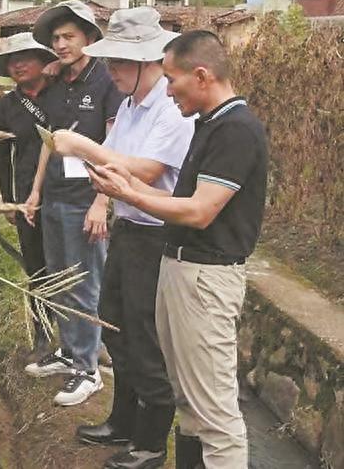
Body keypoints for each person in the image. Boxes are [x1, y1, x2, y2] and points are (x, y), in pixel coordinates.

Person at [85, 30, 268, 469]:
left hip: (206, 277)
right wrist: (124, 186)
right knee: (188, 398)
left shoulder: (236, 129)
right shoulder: (209, 123)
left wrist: (127, 194)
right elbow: (180, 201)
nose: (167, 90)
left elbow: (201, 211)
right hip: (181, 268)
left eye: (171, 79)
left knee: (215, 411)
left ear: (201, 75)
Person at [52, 7, 194, 468]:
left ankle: (151, 444)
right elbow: (115, 158)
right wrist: (90, 161)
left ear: (146, 61)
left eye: (118, 62)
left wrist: (83, 149)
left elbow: (149, 171)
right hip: (129, 228)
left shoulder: (171, 110)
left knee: (143, 335)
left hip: (156, 238)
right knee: (113, 322)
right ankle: (123, 420)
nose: (110, 71)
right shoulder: (133, 104)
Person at [24, 0, 124, 406]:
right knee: (59, 279)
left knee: (85, 283)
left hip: (87, 200)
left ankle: (88, 369)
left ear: (89, 38)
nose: (61, 44)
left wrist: (102, 202)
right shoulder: (57, 85)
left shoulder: (106, 83)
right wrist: (35, 193)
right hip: (55, 198)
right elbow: (50, 143)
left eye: (69, 37)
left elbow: (115, 146)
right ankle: (69, 352)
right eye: (55, 39)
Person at [0, 33, 59, 354]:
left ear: (44, 61)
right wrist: (8, 201)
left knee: (73, 262)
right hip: (27, 194)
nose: (17, 65)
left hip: (65, 191)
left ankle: (84, 336)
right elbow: (2, 158)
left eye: (25, 58)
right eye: (12, 61)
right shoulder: (5, 106)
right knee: (37, 266)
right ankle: (42, 331)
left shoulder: (61, 95)